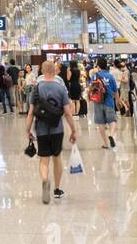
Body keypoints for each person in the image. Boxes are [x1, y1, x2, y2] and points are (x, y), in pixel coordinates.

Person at [26, 61, 77, 204]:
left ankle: (44, 180)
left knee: (43, 160)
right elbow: (67, 113)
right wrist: (73, 130)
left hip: (41, 129)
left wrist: (27, 130)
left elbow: (30, 113)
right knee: (57, 158)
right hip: (57, 129)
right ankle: (57, 189)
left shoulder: (36, 89)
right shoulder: (61, 88)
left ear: (41, 71)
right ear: (55, 71)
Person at [88, 57, 119, 149]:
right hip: (109, 102)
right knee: (112, 121)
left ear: (98, 66)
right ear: (106, 66)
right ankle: (112, 135)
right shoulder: (110, 76)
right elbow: (115, 90)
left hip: (97, 102)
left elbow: (91, 88)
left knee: (100, 123)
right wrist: (118, 100)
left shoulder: (94, 76)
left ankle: (106, 143)